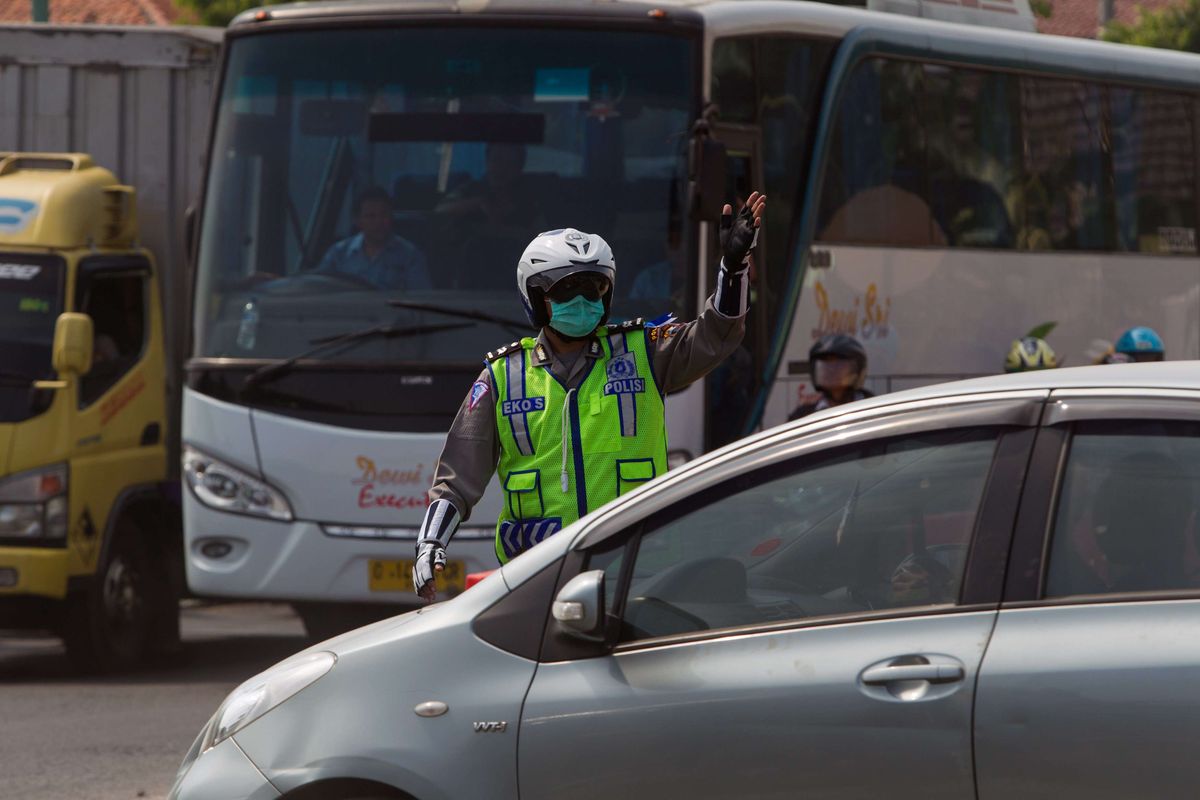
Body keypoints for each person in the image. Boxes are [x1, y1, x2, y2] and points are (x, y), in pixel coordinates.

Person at [412, 193, 766, 600]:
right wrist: (430, 543)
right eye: (567, 291)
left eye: (594, 288)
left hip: (638, 574)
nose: (583, 301)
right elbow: (456, 480)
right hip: (538, 578)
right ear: (537, 299)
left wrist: (734, 268)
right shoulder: (501, 378)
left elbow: (718, 334)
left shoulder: (645, 352)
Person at [315, 187, 431, 291]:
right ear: (357, 221)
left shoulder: (410, 255)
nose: (379, 222)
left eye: (384, 215)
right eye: (371, 216)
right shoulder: (338, 254)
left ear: (391, 217)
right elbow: (320, 293)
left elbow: (422, 301)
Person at [788, 334, 872, 421]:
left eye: (839, 365)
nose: (831, 370)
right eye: (825, 365)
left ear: (856, 370)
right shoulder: (803, 415)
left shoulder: (874, 409)